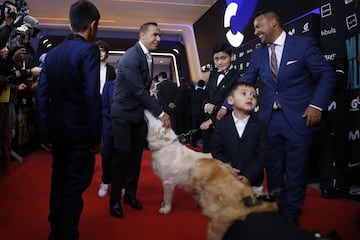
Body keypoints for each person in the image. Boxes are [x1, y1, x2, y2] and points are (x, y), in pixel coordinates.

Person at [218, 10, 336, 225]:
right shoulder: (258, 54)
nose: (255, 32)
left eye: (257, 26)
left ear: (273, 23)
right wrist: (227, 104)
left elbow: (327, 75)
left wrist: (316, 105)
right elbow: (246, 79)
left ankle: (291, 213)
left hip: (299, 119)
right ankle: (275, 207)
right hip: (268, 121)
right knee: (271, 168)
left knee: (295, 169)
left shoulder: (303, 45)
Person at [36, 1, 102, 239]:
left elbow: (41, 96)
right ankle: (67, 234)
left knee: (59, 183)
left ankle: (55, 231)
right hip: (79, 135)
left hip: (57, 133)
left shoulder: (52, 55)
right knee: (74, 188)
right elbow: (91, 97)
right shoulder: (89, 51)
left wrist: (45, 133)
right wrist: (96, 137)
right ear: (92, 25)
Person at [109, 22, 171, 218]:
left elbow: (144, 91)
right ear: (142, 35)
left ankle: (131, 195)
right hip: (122, 114)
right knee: (121, 157)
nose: (159, 39)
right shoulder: (130, 57)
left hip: (137, 116)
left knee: (135, 157)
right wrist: (161, 113)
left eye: (159, 35)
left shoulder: (147, 56)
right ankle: (115, 201)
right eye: (155, 35)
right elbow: (138, 91)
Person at [211, 81, 268, 191]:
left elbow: (262, 154)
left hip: (253, 181)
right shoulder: (222, 125)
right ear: (230, 100)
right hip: (227, 178)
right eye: (244, 94)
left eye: (253, 95)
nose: (250, 98)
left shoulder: (260, 126)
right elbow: (216, 150)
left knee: (251, 207)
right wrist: (229, 168)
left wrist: (248, 176)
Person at [200, 42, 240, 153]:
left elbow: (233, 103)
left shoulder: (236, 77)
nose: (219, 62)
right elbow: (205, 94)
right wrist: (206, 104)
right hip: (208, 127)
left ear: (231, 57)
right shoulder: (213, 75)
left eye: (223, 58)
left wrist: (212, 121)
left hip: (226, 127)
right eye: (216, 59)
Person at [95, 39, 116, 197]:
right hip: (93, 106)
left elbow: (114, 88)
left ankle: (109, 181)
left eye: (103, 50)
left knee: (110, 148)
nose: (101, 53)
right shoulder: (89, 68)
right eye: (98, 50)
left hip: (108, 109)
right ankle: (104, 180)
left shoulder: (111, 69)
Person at [190, 79, 206, 147]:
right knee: (203, 128)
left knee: (194, 127)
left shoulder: (193, 93)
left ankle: (193, 142)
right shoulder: (204, 92)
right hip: (202, 113)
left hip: (194, 112)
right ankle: (204, 142)